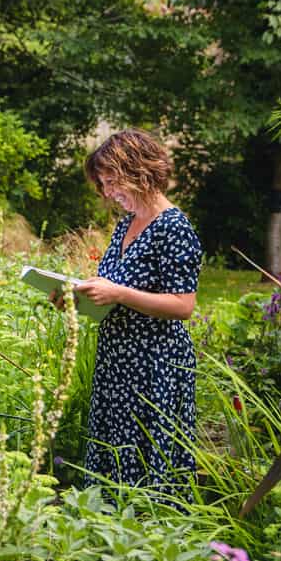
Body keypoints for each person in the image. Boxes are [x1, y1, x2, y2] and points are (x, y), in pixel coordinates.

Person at [74, 129, 201, 503]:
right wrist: (77, 297)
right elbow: (113, 289)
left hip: (154, 361)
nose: (109, 191)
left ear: (139, 170)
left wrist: (119, 293)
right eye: (103, 184)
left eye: (112, 180)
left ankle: (150, 530)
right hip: (117, 357)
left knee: (148, 449)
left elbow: (183, 305)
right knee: (115, 445)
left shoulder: (174, 227)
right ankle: (107, 527)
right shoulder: (127, 223)